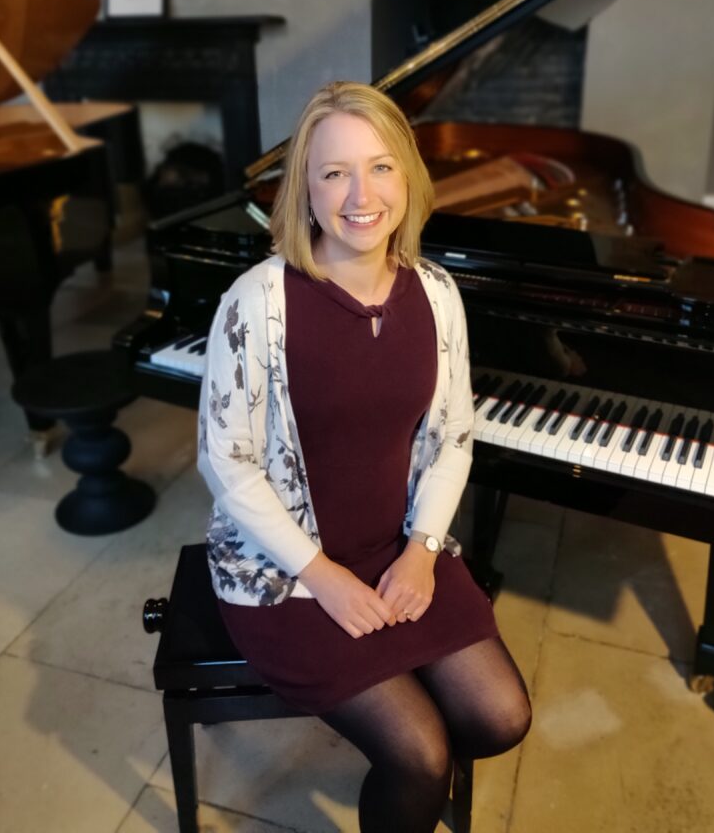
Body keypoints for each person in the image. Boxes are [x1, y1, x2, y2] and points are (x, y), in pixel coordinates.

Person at [198, 81, 531, 832]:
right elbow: (228, 463)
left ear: (408, 176)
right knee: (419, 754)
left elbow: (452, 435)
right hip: (284, 573)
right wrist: (325, 579)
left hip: (398, 547)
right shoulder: (257, 302)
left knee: (501, 716)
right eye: (333, 172)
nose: (360, 194)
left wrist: (420, 553)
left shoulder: (439, 293)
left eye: (380, 167)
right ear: (303, 189)